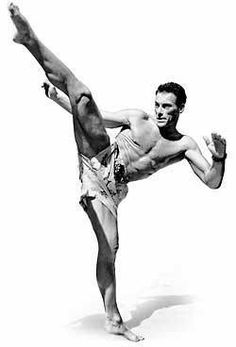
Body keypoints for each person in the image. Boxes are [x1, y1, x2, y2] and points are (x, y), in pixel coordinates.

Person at [9, 3, 227, 342]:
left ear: (180, 108)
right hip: (100, 156)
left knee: (109, 249)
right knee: (82, 94)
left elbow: (212, 181)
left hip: (112, 190)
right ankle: (29, 39)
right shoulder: (137, 118)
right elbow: (93, 113)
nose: (159, 112)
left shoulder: (184, 146)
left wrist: (222, 158)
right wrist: (57, 99)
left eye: (167, 107)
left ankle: (112, 320)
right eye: (157, 104)